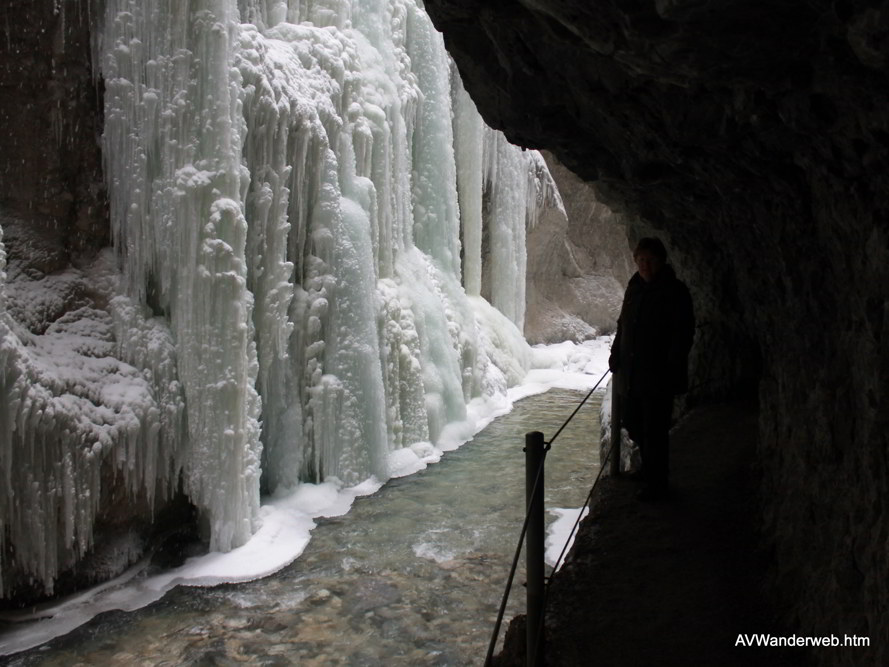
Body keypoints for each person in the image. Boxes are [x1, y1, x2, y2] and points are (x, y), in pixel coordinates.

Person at [608, 237, 694, 501]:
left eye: (650, 260)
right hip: (632, 373)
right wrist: (615, 353)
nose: (645, 265)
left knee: (654, 429)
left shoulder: (674, 291)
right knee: (633, 423)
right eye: (641, 260)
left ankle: (657, 483)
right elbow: (624, 325)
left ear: (661, 261)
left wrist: (671, 367)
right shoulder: (634, 288)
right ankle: (649, 469)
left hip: (657, 374)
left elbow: (683, 333)